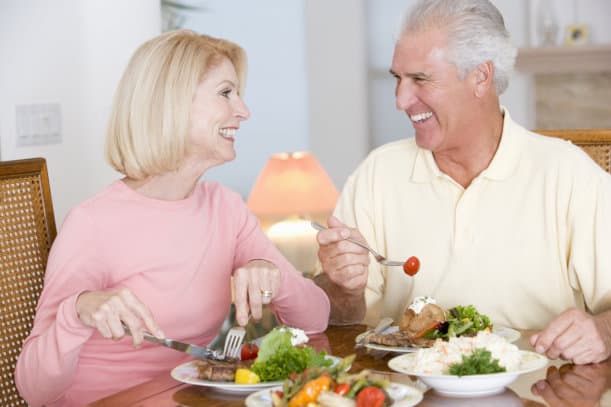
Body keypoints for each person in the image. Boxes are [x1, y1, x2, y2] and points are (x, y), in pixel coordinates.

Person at [15, 30, 330, 406]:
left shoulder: (224, 209)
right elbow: (32, 389)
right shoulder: (93, 224)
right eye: (226, 93)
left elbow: (316, 319)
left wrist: (272, 275)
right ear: (174, 103)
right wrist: (76, 310)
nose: (244, 111)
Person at [314, 0, 611, 365]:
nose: (401, 100)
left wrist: (603, 331)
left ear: (481, 77)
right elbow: (340, 317)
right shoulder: (377, 174)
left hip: (540, 393)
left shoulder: (569, 175)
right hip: (409, 392)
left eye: (420, 79)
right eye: (397, 78)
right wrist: (344, 288)